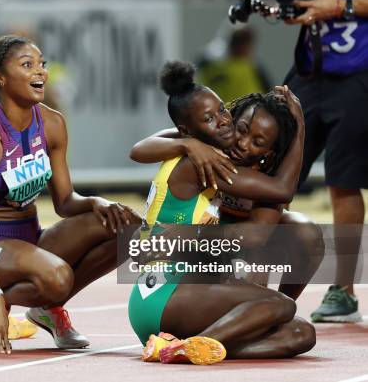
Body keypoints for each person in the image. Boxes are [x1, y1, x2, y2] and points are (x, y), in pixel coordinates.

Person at [0, 35, 139, 354]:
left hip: (30, 241)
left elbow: (64, 203)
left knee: (127, 228)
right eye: (27, 65)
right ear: (0, 79)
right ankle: (1, 301)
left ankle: (45, 308)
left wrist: (97, 203)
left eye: (42, 64)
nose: (41, 72)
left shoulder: (52, 123)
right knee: (58, 279)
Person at [126, 62, 315, 364]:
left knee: (301, 334)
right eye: (239, 127)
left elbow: (264, 223)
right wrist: (300, 128)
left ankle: (195, 344)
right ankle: (190, 346)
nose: (229, 129)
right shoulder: (207, 159)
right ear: (189, 129)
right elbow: (282, 191)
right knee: (281, 306)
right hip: (165, 292)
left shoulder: (198, 148)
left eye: (222, 112)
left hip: (180, 289)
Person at [282, 0, 368, 323]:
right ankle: (251, 278)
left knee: (343, 180)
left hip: (359, 72)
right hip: (312, 69)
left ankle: (344, 291)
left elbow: (335, 5)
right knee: (271, 169)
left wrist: (339, 6)